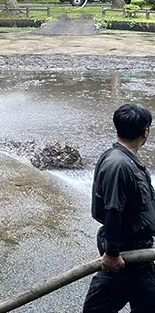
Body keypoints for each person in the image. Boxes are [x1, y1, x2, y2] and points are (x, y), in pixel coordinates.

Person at [83, 104, 155, 312]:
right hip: (127, 249)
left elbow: (141, 202)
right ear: (145, 132)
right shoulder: (119, 165)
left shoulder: (124, 159)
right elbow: (113, 210)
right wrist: (112, 254)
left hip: (136, 248)